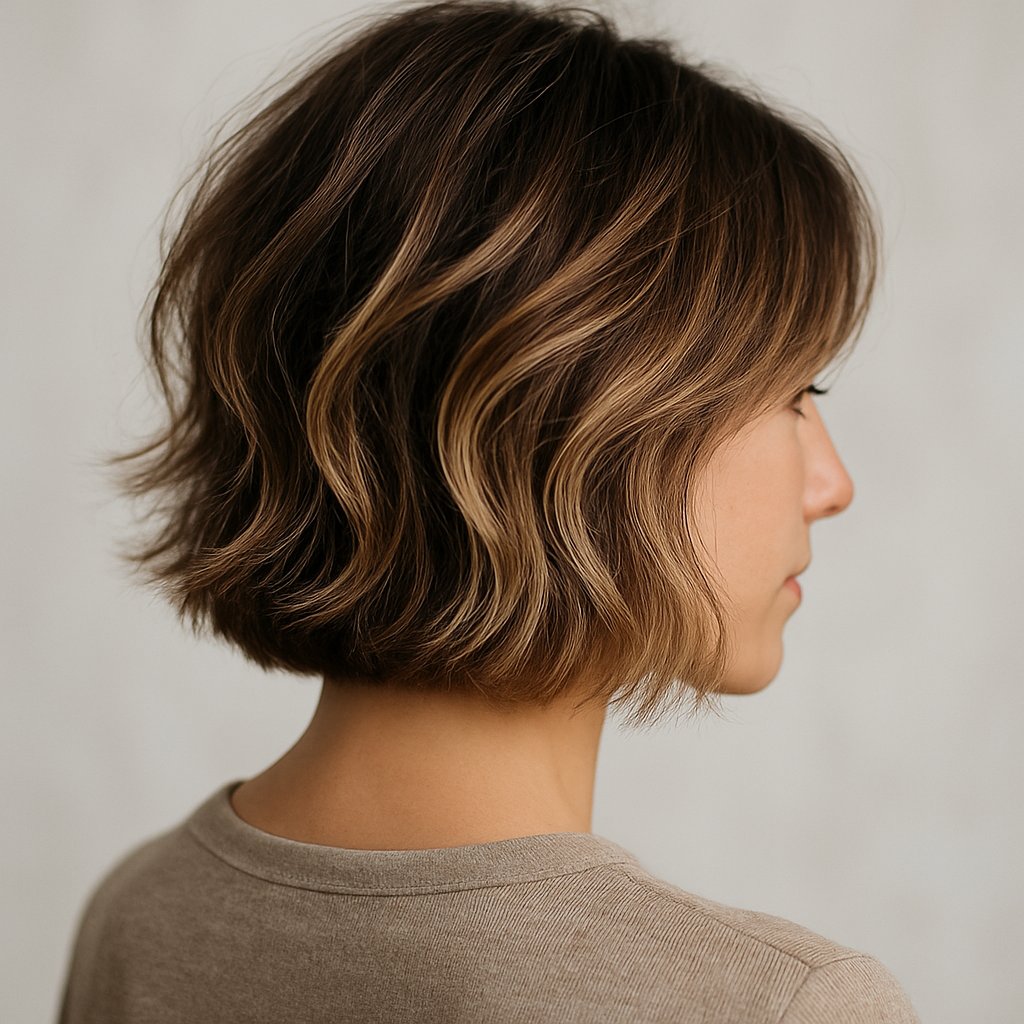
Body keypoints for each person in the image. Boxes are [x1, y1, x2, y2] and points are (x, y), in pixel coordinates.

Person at [56, 1, 921, 1020]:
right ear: (581, 409)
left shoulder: (143, 912)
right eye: (789, 392)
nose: (832, 482)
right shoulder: (773, 1003)